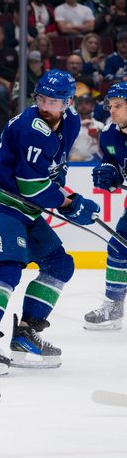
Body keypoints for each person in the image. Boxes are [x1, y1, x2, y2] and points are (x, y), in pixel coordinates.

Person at [0, 70, 100, 374]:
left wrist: (65, 197)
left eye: (54, 100)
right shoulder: (31, 128)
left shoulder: (72, 121)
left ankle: (25, 333)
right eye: (41, 98)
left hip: (23, 207)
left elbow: (52, 174)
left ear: (68, 102)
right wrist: (69, 203)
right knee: (8, 266)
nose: (46, 106)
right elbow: (33, 187)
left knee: (59, 264)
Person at [84, 82, 127, 330]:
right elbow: (113, 165)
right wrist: (108, 176)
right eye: (111, 106)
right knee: (118, 247)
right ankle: (114, 306)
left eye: (119, 106)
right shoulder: (109, 135)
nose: (112, 111)